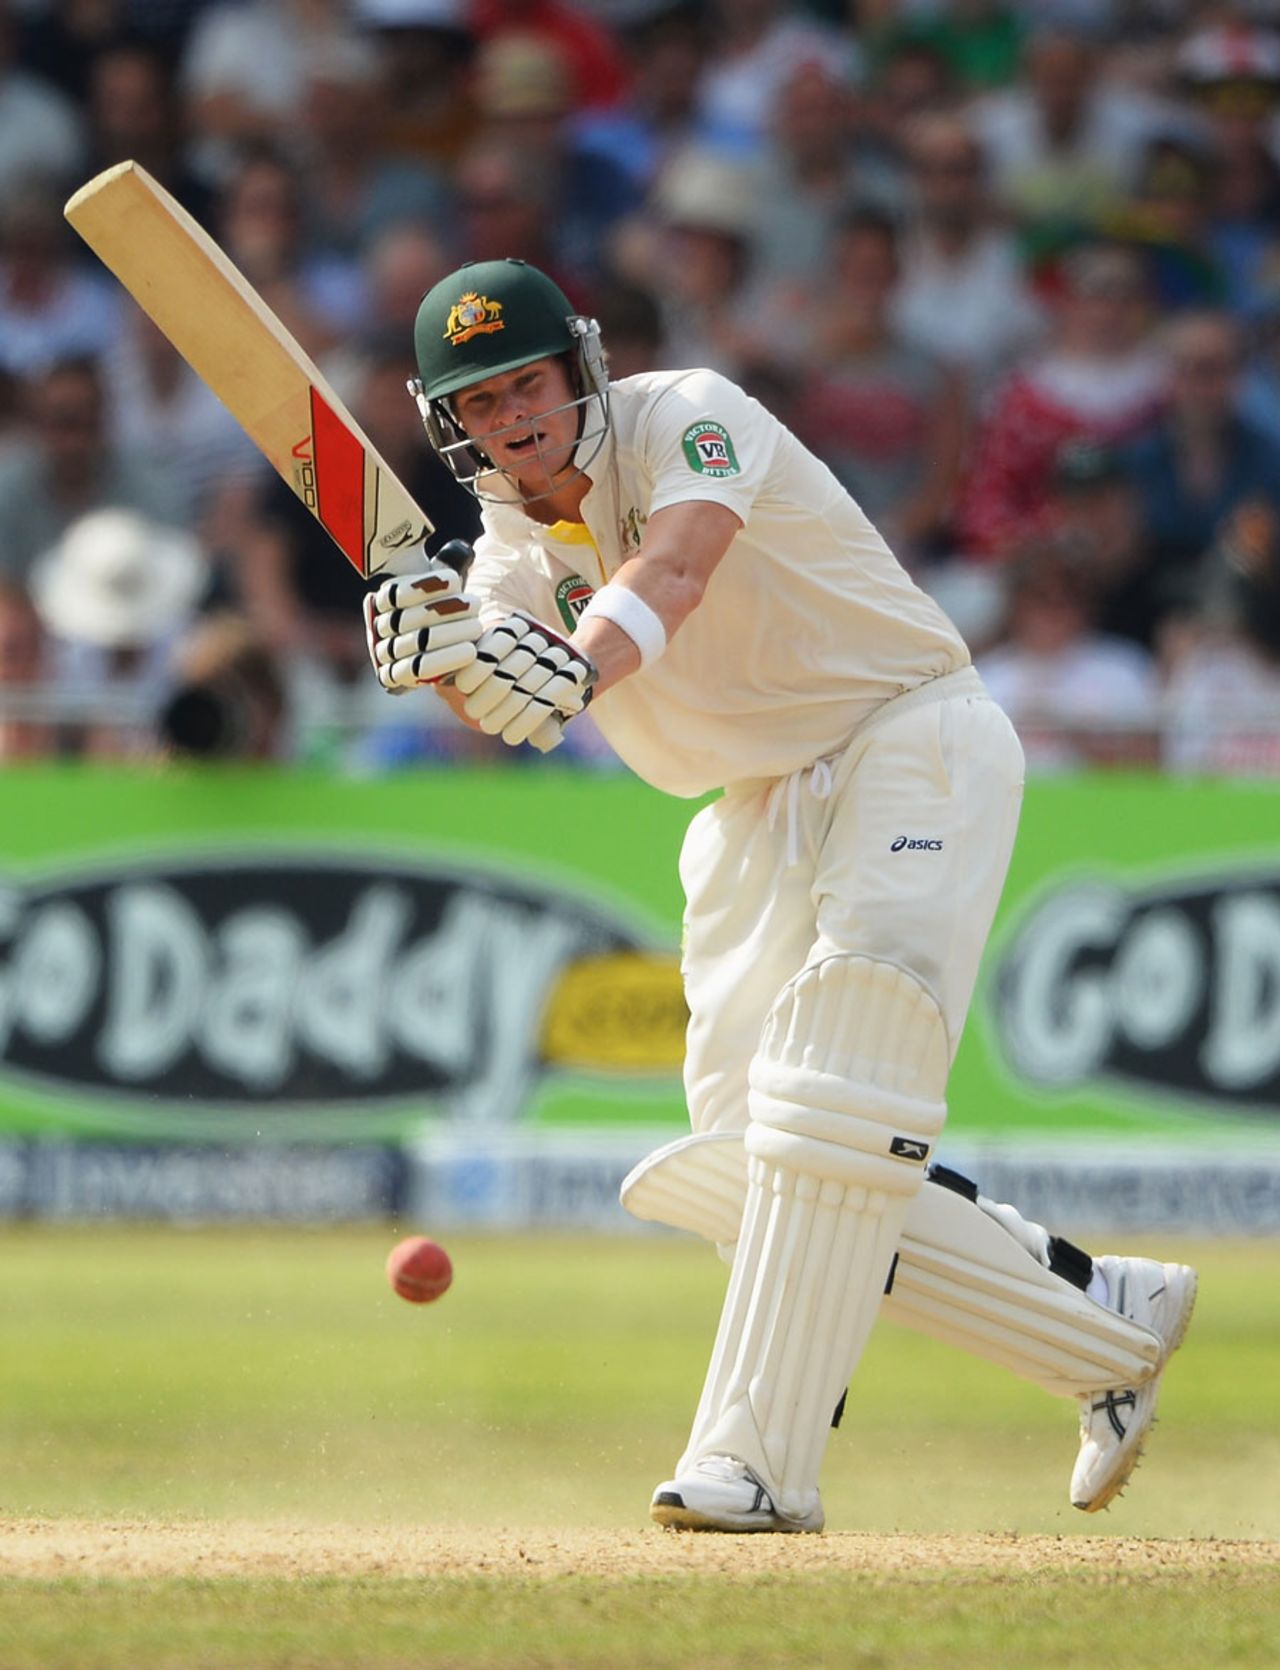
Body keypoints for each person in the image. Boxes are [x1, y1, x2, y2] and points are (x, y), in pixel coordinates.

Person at [360, 257, 1197, 1533]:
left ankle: (755, 1465)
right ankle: (1100, 1319)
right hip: (749, 810)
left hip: (906, 735)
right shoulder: (513, 552)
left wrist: (569, 674)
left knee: (833, 1099)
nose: (509, 419)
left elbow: (679, 571)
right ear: (449, 423)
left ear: (578, 367)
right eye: (475, 403)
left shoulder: (692, 409)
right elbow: (502, 694)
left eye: (524, 382)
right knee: (753, 1171)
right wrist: (432, 650)